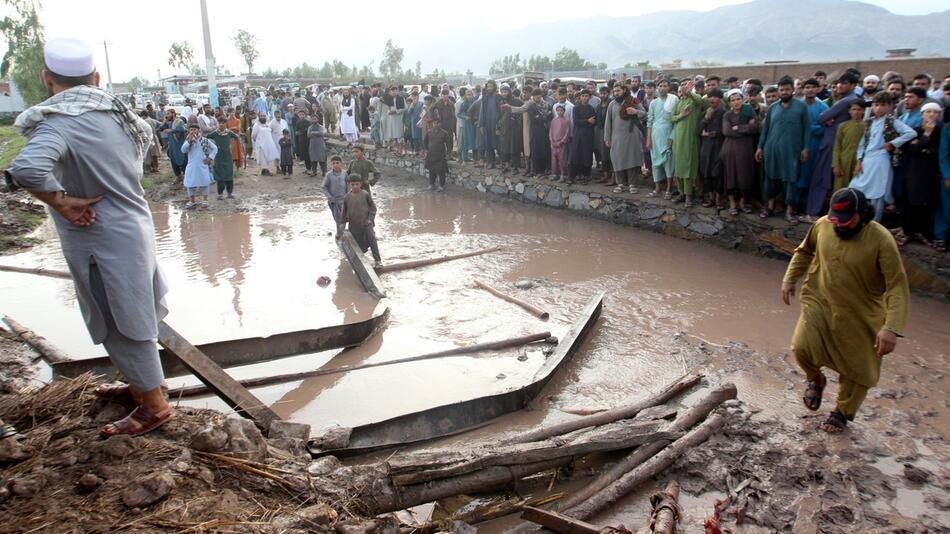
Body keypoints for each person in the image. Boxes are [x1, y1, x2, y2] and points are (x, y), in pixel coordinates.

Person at [6, 37, 172, 437]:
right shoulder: (118, 113)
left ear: (47, 80)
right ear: (96, 78)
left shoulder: (59, 123)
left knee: (121, 321)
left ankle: (153, 406)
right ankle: (140, 384)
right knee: (135, 312)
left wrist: (61, 201)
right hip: (134, 225)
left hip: (101, 237)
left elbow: (26, 169)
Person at [781, 187, 909, 433]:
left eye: (845, 220)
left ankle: (841, 412)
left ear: (862, 215)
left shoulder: (881, 240)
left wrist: (892, 327)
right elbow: (805, 251)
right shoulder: (821, 225)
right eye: (834, 219)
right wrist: (790, 278)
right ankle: (816, 379)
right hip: (819, 300)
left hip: (861, 312)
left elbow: (897, 286)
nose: (838, 225)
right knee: (801, 346)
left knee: (859, 369)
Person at [849, 92, 916, 222]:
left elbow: (910, 133)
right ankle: (855, 220)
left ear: (890, 106)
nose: (879, 108)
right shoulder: (868, 122)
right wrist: (859, 161)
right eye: (876, 105)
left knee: (877, 192)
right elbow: (862, 143)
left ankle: (874, 223)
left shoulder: (892, 121)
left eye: (883, 105)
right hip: (867, 159)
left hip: (881, 159)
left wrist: (893, 143)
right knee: (855, 187)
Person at [756, 76, 811, 224]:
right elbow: (765, 130)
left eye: (787, 89)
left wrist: (805, 148)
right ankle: (769, 207)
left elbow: (807, 129)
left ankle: (789, 211)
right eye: (782, 90)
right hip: (772, 150)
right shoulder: (773, 108)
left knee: (791, 180)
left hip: (792, 151)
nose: (784, 92)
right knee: (770, 179)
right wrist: (760, 147)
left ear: (793, 90)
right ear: (779, 91)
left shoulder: (801, 107)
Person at [805, 73, 860, 218]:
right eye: (839, 83)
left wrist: (829, 118)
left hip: (831, 144)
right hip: (841, 146)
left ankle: (813, 212)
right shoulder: (850, 100)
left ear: (853, 85)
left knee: (820, 179)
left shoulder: (847, 101)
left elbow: (822, 117)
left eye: (845, 83)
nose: (840, 86)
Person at [901, 102, 943, 245]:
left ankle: (922, 232)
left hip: (932, 172)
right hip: (915, 171)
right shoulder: (916, 131)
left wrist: (924, 148)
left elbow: (938, 151)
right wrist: (926, 135)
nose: (932, 115)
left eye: (935, 112)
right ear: (922, 114)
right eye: (928, 112)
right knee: (912, 201)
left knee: (928, 202)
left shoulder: (941, 131)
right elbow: (912, 150)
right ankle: (909, 232)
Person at [605, 84, 647, 194]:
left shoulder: (634, 101)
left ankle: (632, 184)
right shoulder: (612, 104)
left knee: (631, 159)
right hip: (617, 137)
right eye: (614, 91)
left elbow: (645, 114)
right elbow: (608, 122)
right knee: (617, 159)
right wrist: (607, 138)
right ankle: (621, 184)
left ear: (624, 90)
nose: (616, 93)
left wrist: (635, 111)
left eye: (618, 90)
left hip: (632, 135)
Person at [340, 174, 382, 268]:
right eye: (353, 184)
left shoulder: (365, 194)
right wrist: (342, 223)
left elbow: (373, 208)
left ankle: (378, 261)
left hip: (366, 224)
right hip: (354, 225)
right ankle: (361, 263)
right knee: (357, 244)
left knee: (372, 241)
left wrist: (370, 219)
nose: (355, 186)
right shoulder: (347, 197)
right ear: (349, 184)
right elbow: (344, 212)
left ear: (361, 184)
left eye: (357, 184)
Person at [671, 80, 702, 206]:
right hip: (678, 138)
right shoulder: (679, 102)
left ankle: (689, 195)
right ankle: (681, 193)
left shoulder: (695, 100)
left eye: (686, 85)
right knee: (678, 167)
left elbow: (698, 101)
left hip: (690, 139)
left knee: (689, 168)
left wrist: (690, 93)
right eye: (682, 85)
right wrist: (681, 116)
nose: (684, 87)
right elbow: (671, 118)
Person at [646, 79, 677, 199]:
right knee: (655, 163)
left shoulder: (674, 100)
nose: (662, 88)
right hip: (655, 135)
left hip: (668, 134)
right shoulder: (653, 103)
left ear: (669, 87)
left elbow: (676, 121)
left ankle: (669, 189)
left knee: (669, 162)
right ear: (657, 88)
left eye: (665, 86)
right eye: (660, 86)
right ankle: (657, 188)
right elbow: (650, 122)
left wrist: (672, 137)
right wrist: (649, 139)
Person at [697, 89, 726, 209]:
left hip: (719, 148)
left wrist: (710, 134)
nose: (712, 99)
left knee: (717, 174)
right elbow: (697, 130)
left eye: (715, 96)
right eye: (710, 97)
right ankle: (711, 199)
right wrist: (707, 118)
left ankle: (719, 200)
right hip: (706, 149)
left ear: (720, 99)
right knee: (706, 173)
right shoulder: (704, 113)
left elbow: (725, 131)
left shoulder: (725, 113)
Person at [831, 101, 867, 193]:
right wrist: (836, 164)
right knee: (840, 189)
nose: (856, 112)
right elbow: (837, 146)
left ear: (863, 111)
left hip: (860, 162)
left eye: (859, 109)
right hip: (844, 161)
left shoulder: (867, 125)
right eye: (853, 109)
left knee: (856, 190)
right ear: (849, 111)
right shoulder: (843, 126)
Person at [181, 124, 216, 209]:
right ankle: (192, 201)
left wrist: (210, 158)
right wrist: (189, 141)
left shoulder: (205, 140)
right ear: (189, 131)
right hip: (192, 166)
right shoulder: (188, 141)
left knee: (205, 182)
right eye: (191, 129)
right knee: (190, 184)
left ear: (199, 130)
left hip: (202, 165)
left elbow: (215, 148)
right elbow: (183, 150)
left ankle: (205, 200)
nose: (193, 131)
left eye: (194, 129)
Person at [206, 120, 238, 200]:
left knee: (229, 176)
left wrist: (232, 146)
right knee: (220, 176)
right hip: (218, 156)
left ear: (225, 124)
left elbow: (236, 137)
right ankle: (220, 194)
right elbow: (206, 137)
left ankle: (229, 193)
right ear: (218, 124)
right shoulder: (215, 133)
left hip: (228, 157)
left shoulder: (229, 133)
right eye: (220, 123)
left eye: (223, 123)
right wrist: (211, 148)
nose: (221, 124)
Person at [570, 90, 597, 183]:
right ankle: (577, 175)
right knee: (577, 155)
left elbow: (593, 121)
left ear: (589, 97)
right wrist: (587, 121)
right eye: (583, 96)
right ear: (580, 97)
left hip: (588, 135)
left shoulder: (591, 108)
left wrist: (588, 122)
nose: (585, 98)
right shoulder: (576, 108)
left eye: (586, 96)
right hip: (578, 135)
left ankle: (586, 175)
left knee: (587, 155)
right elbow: (576, 121)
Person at [323, 155, 348, 238]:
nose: (335, 165)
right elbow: (324, 187)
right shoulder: (328, 175)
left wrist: (348, 195)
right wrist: (329, 197)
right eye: (333, 163)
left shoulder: (344, 173)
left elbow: (348, 184)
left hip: (344, 199)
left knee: (346, 216)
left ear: (341, 164)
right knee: (337, 218)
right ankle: (339, 233)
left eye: (337, 163)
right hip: (334, 201)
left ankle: (346, 233)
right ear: (331, 165)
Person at [477, 81, 500, 168]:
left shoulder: (498, 97)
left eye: (491, 86)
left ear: (494, 87)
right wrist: (481, 125)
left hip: (496, 124)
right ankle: (491, 162)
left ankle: (503, 163)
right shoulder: (484, 97)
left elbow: (500, 111)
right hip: (487, 123)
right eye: (488, 87)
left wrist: (499, 125)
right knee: (488, 143)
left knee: (498, 144)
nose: (489, 88)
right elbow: (481, 112)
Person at [425, 116, 451, 192]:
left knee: (441, 172)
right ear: (432, 124)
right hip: (431, 155)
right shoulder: (429, 132)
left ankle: (441, 186)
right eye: (434, 123)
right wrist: (426, 149)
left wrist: (448, 153)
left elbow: (449, 144)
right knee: (431, 171)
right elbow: (425, 141)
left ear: (440, 124)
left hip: (440, 156)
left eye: (437, 123)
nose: (435, 125)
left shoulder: (444, 133)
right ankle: (431, 184)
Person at [162, 108, 186, 180]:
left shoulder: (179, 121)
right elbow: (160, 128)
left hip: (179, 144)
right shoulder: (168, 123)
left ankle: (186, 176)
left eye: (168, 114)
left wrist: (171, 130)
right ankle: (178, 177)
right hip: (172, 145)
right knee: (173, 160)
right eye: (166, 114)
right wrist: (165, 120)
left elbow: (182, 129)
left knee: (182, 160)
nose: (167, 115)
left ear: (173, 114)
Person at [548, 104, 571, 182]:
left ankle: (563, 175)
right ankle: (554, 174)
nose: (559, 112)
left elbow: (567, 133)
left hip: (562, 145)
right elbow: (551, 131)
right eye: (558, 110)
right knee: (554, 160)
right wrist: (551, 141)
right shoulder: (554, 121)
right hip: (554, 144)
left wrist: (561, 142)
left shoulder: (567, 121)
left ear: (564, 111)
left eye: (561, 110)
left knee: (562, 160)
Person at [457, 88, 478, 163]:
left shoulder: (476, 103)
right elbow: (458, 114)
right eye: (467, 95)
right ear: (465, 96)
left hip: (474, 125)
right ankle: (465, 159)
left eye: (470, 95)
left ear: (473, 95)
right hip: (467, 125)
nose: (469, 96)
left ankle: (476, 159)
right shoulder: (463, 104)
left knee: (475, 142)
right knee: (466, 142)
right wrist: (465, 117)